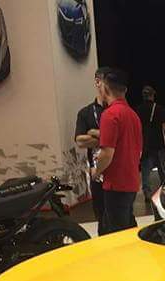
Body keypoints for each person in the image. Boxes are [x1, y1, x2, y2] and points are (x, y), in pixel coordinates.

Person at [91, 68, 142, 234]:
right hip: (131, 181)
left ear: (105, 88)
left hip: (116, 184)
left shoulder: (110, 115)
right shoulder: (133, 115)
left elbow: (107, 153)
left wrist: (96, 171)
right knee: (127, 226)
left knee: (117, 233)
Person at [74, 71, 107, 231]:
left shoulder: (118, 110)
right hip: (97, 173)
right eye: (105, 81)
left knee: (122, 215)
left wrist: (94, 133)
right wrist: (108, 138)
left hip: (118, 172)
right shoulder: (85, 113)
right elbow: (80, 140)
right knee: (101, 215)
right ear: (97, 82)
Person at [136, 85, 165, 209]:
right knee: (162, 169)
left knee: (145, 171)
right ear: (152, 95)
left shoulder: (138, 109)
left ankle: (147, 193)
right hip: (158, 143)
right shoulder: (159, 109)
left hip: (145, 144)